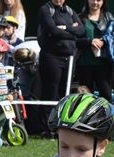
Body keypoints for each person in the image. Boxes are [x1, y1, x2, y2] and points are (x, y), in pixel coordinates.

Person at [37, 0, 85, 136]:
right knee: (51, 90)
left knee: (66, 91)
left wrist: (65, 28)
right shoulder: (45, 9)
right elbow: (51, 30)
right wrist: (72, 31)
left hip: (69, 57)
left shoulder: (69, 11)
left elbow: (81, 30)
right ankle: (48, 127)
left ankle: (63, 125)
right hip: (51, 57)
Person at [76, 0, 113, 103]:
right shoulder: (79, 18)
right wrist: (90, 41)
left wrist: (104, 41)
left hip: (104, 64)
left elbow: (112, 37)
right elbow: (74, 40)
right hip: (84, 64)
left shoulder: (109, 17)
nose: (95, 2)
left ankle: (106, 119)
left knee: (106, 96)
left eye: (99, 0)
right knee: (86, 98)